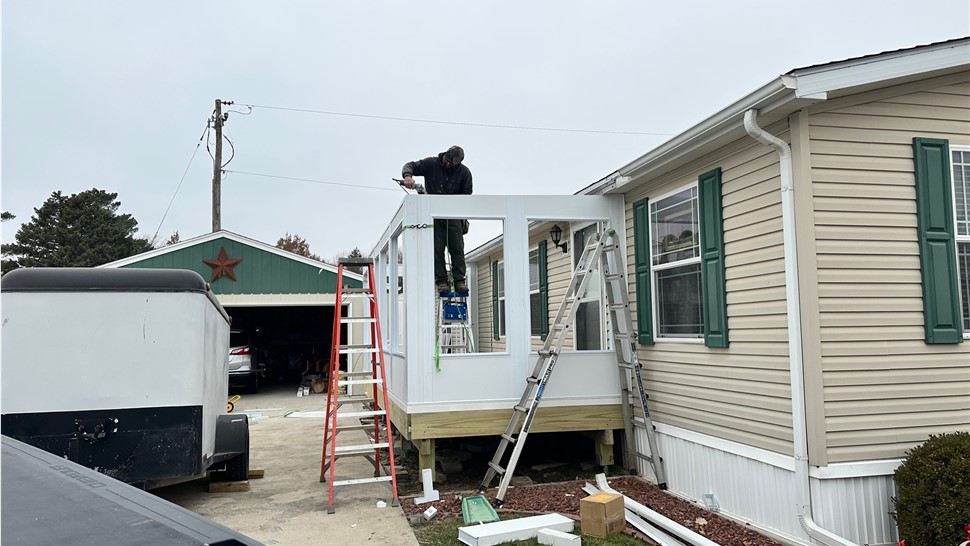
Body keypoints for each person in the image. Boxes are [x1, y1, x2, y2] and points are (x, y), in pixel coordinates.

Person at [401, 145, 473, 294]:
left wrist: (462, 215)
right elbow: (411, 165)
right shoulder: (431, 164)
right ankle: (441, 281)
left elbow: (467, 194)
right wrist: (407, 176)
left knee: (457, 248)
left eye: (452, 164)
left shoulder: (464, 173)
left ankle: (459, 281)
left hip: (453, 215)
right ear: (445, 156)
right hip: (433, 214)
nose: (448, 164)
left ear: (457, 163)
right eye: (447, 161)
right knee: (437, 249)